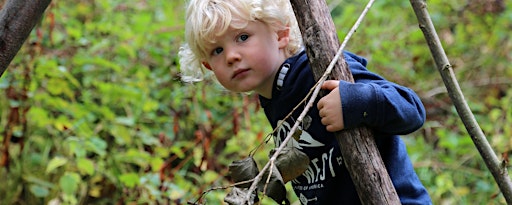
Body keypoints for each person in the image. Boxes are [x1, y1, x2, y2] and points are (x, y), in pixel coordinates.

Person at [178, 0, 432, 204]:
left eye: (243, 37)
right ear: (208, 66)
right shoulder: (273, 98)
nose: (232, 56)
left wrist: (354, 101)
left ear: (280, 34)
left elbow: (411, 108)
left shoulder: (316, 70)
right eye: (217, 51)